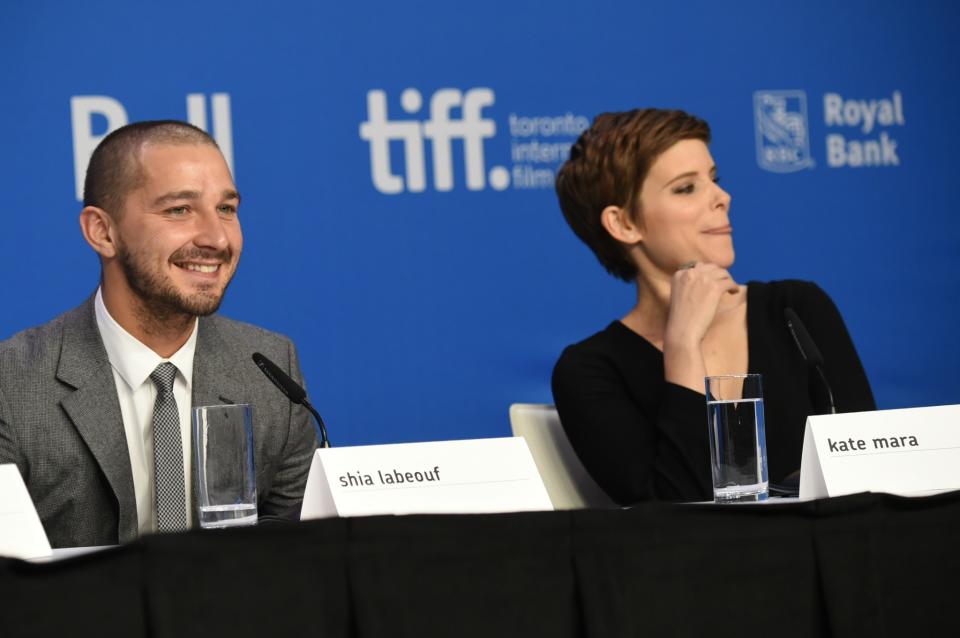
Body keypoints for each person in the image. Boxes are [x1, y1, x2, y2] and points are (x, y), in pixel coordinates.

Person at [0, 121, 318, 547]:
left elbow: (294, 556)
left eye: (227, 209)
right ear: (103, 232)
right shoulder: (12, 384)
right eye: (179, 210)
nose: (217, 237)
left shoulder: (271, 370)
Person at [551, 109, 875, 504]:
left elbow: (867, 469)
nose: (722, 197)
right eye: (686, 188)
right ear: (624, 224)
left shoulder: (795, 310)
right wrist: (683, 344)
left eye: (714, 179)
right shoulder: (590, 370)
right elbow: (677, 512)